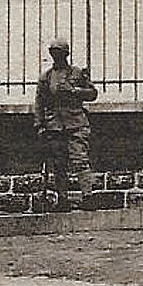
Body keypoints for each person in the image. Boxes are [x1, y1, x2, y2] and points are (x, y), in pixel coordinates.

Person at [34, 37, 97, 211]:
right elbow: (39, 102)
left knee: (80, 160)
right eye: (53, 53)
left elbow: (92, 93)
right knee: (58, 164)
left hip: (76, 124)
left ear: (66, 54)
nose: (56, 56)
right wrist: (40, 125)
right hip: (54, 126)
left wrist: (75, 91)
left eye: (60, 53)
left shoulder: (77, 73)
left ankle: (88, 196)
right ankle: (63, 200)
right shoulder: (46, 77)